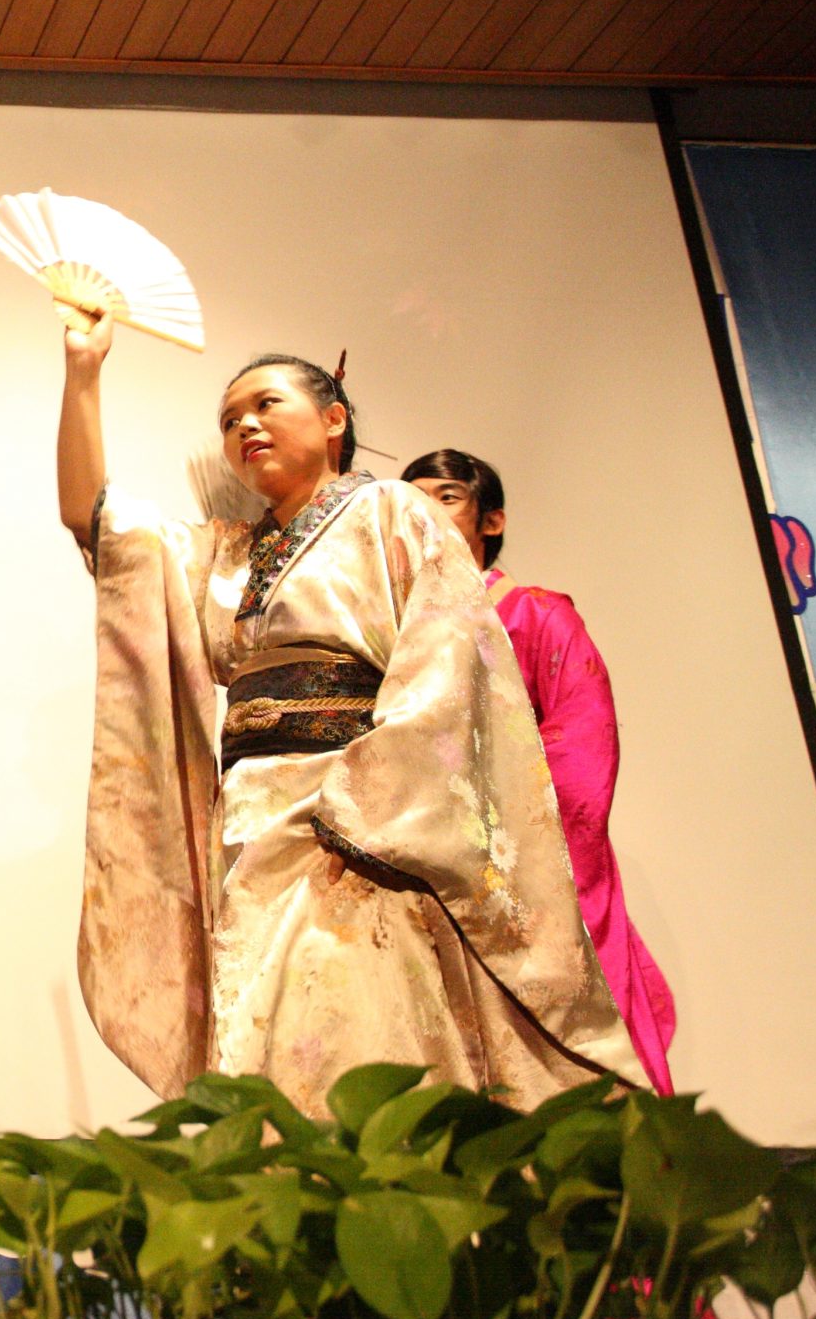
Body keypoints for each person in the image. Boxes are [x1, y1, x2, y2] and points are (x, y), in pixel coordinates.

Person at [55, 319, 642, 1114]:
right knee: (259, 1029)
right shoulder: (226, 553)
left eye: (265, 404)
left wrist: (364, 801)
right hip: (251, 821)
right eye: (229, 420)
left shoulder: (393, 510)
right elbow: (93, 519)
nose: (244, 425)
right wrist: (84, 371)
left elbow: (445, 661)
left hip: (355, 818)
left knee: (348, 1016)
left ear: (333, 419)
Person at [403, 448, 678, 1093]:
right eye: (412, 501)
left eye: (446, 497)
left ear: (492, 520)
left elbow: (583, 745)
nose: (425, 513)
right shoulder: (396, 629)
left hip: (524, 857)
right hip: (425, 860)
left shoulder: (537, 613)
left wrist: (508, 844)